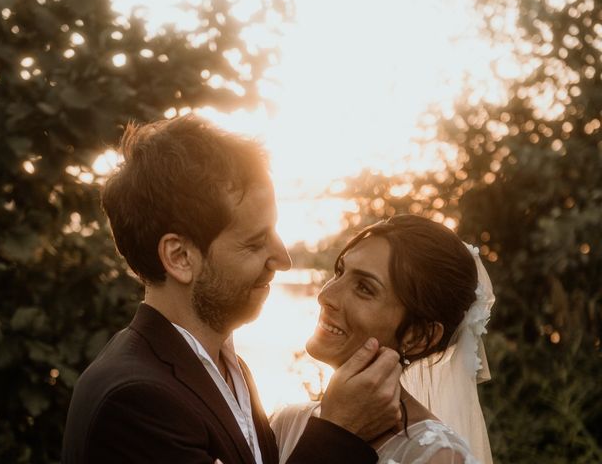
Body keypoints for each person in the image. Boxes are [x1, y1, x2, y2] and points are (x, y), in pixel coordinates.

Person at [62, 115, 403, 464]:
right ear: (180, 257)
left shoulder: (228, 369)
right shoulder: (135, 402)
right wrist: (339, 431)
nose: (282, 259)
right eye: (256, 243)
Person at [271, 215, 495, 464]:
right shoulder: (287, 423)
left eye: (364, 288)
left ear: (419, 336)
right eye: (340, 272)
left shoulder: (439, 458)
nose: (325, 295)